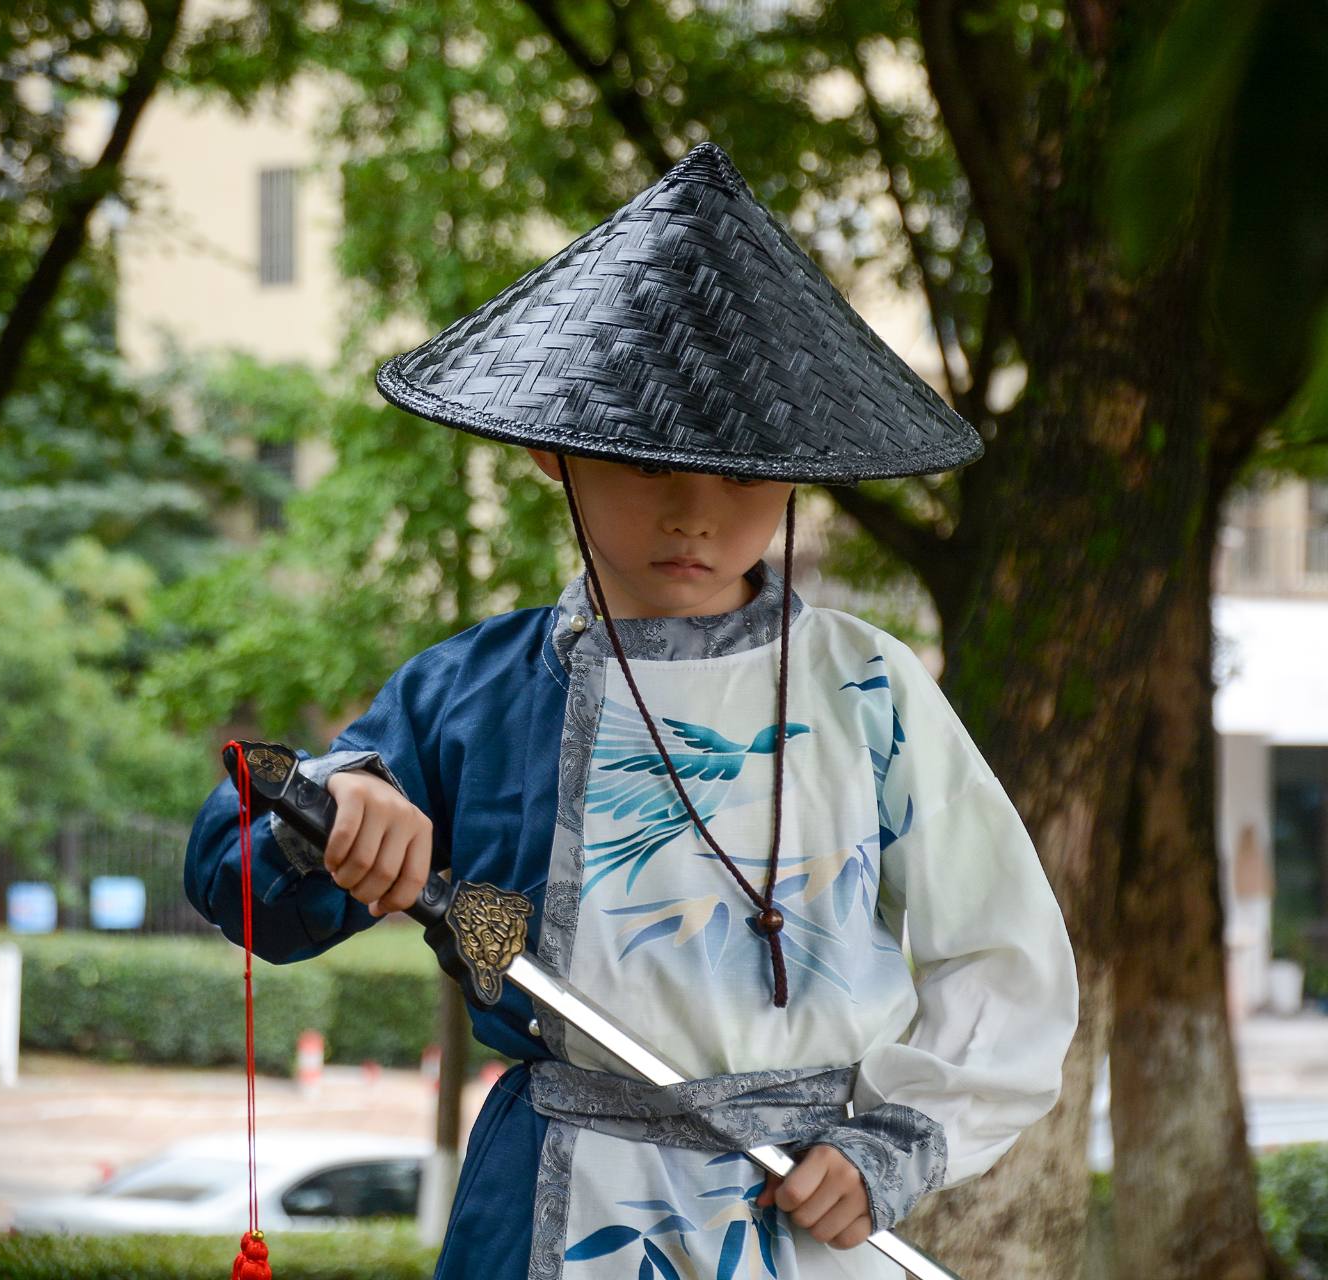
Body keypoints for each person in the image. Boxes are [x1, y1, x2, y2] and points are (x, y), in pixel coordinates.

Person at [184, 142, 1077, 1280]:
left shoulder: (870, 690)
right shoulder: (476, 691)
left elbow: (1002, 954)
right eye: (653, 466)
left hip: (806, 1206)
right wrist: (346, 802)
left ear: (801, 473)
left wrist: (891, 1144)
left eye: (748, 476)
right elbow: (241, 873)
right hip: (548, 1205)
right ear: (557, 451)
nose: (698, 517)